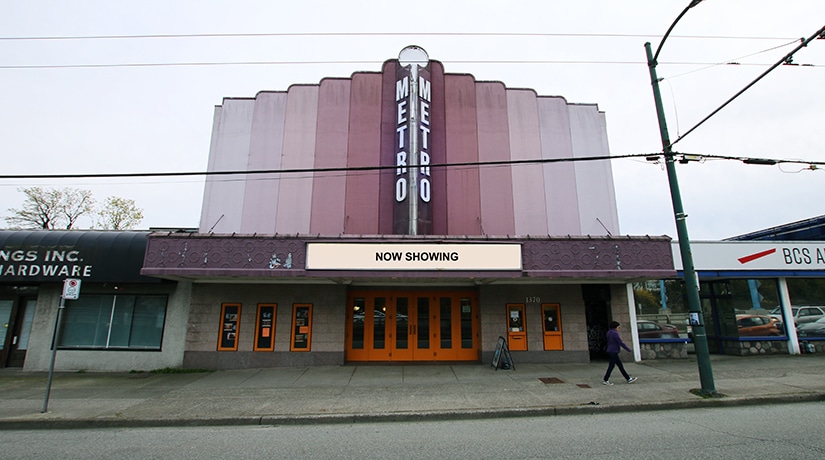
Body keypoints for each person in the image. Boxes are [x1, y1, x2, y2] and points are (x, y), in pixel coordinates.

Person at [602, 321, 638, 385]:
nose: (619, 328)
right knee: (612, 366)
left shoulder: (609, 332)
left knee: (619, 365)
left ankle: (628, 378)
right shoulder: (614, 333)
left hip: (611, 350)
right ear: (615, 327)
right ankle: (606, 379)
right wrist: (628, 349)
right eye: (618, 327)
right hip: (613, 351)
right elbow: (620, 342)